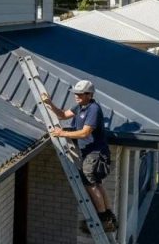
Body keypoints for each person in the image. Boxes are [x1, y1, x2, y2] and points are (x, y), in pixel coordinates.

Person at [42, 79, 118, 233]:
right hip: (89, 152)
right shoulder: (80, 106)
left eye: (80, 94)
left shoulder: (93, 109)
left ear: (89, 95)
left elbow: (85, 133)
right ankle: (108, 216)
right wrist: (49, 103)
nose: (76, 96)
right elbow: (63, 115)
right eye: (75, 93)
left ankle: (103, 218)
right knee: (97, 184)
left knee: (90, 183)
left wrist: (62, 133)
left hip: (95, 153)